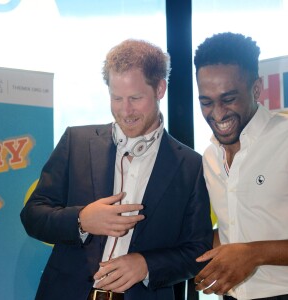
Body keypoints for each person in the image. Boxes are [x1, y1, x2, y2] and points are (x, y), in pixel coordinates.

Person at [20, 38, 213, 300]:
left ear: (160, 89)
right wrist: (82, 220)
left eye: (135, 98)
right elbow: (33, 216)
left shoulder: (191, 165)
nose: (125, 111)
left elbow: (197, 250)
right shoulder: (75, 142)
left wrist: (146, 264)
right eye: (116, 98)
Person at [193, 32, 288, 299]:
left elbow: (245, 249)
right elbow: (230, 229)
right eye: (206, 102)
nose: (218, 113)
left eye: (229, 99)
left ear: (256, 89)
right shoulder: (209, 157)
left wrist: (253, 253)